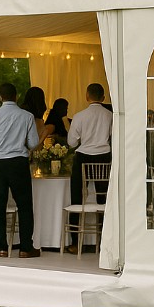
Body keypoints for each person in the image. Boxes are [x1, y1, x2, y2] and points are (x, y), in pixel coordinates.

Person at [0, 82, 41, 258]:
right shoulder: (27, 116)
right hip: (19, 163)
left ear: (0, 97)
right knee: (24, 205)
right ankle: (25, 247)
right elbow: (33, 143)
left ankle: (1, 246)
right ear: (16, 96)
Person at [66, 83, 112, 254]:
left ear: (87, 96)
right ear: (103, 98)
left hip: (83, 158)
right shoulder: (110, 116)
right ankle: (104, 241)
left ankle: (75, 242)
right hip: (104, 157)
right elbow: (114, 137)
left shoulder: (79, 116)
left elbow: (71, 142)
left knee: (77, 199)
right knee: (104, 200)